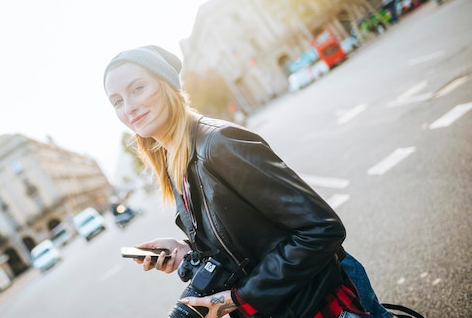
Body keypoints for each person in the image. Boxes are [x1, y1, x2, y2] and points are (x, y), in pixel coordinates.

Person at [104, 45, 389, 318]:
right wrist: (184, 250)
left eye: (138, 88)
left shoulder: (219, 143)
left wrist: (235, 300)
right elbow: (244, 243)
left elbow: (321, 230)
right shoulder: (175, 162)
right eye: (117, 101)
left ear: (168, 86)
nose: (128, 107)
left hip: (323, 303)